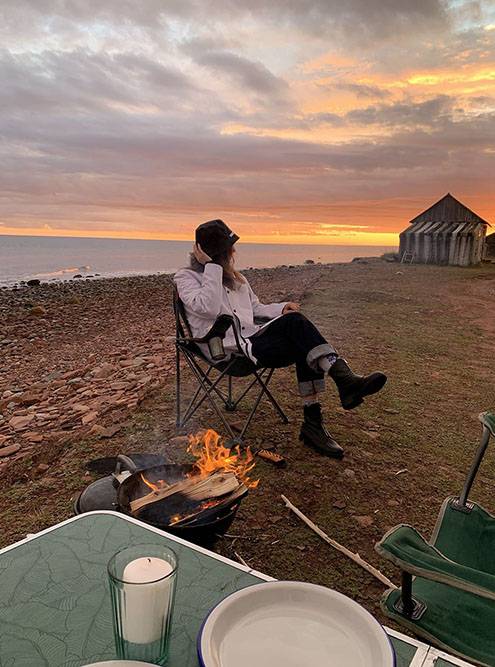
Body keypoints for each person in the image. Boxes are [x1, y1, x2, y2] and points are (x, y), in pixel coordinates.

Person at [174, 219, 387, 459]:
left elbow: (254, 308)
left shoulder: (237, 279)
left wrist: (281, 308)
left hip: (252, 342)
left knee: (301, 338)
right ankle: (343, 379)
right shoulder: (186, 278)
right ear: (217, 253)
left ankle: (313, 424)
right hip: (224, 350)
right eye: (228, 249)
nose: (233, 253)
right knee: (297, 327)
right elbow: (209, 308)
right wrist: (211, 267)